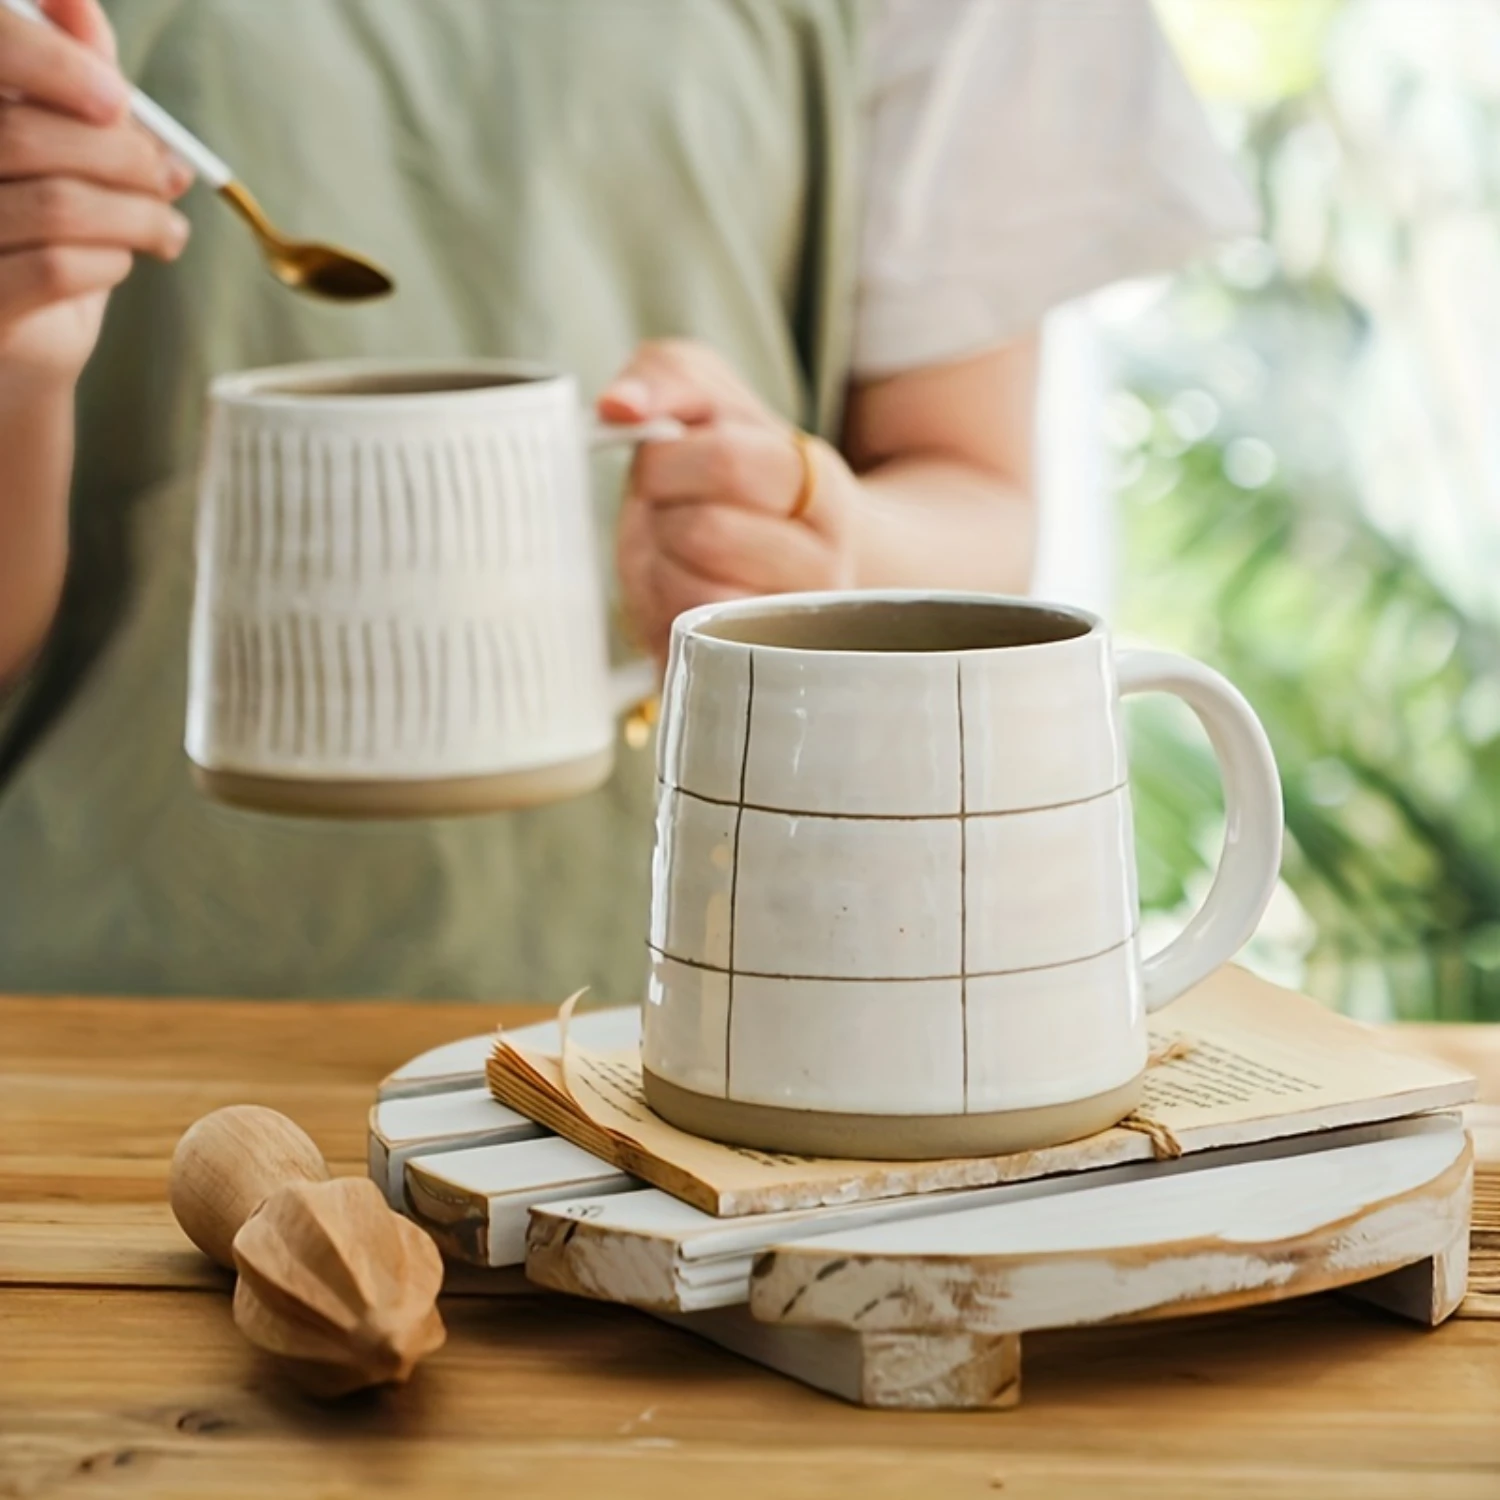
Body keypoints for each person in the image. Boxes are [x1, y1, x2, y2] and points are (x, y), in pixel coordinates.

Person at [0, 0, 1253, 1001]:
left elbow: (971, 488)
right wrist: (19, 368)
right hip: (78, 1022)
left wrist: (824, 539)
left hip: (704, 1004)